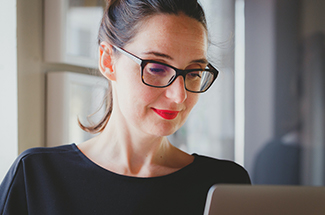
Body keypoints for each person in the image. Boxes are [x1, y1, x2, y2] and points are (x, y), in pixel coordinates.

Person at [0, 0, 250, 214]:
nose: (179, 95)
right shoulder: (36, 177)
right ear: (108, 61)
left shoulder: (223, 185)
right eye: (156, 68)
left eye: (194, 72)